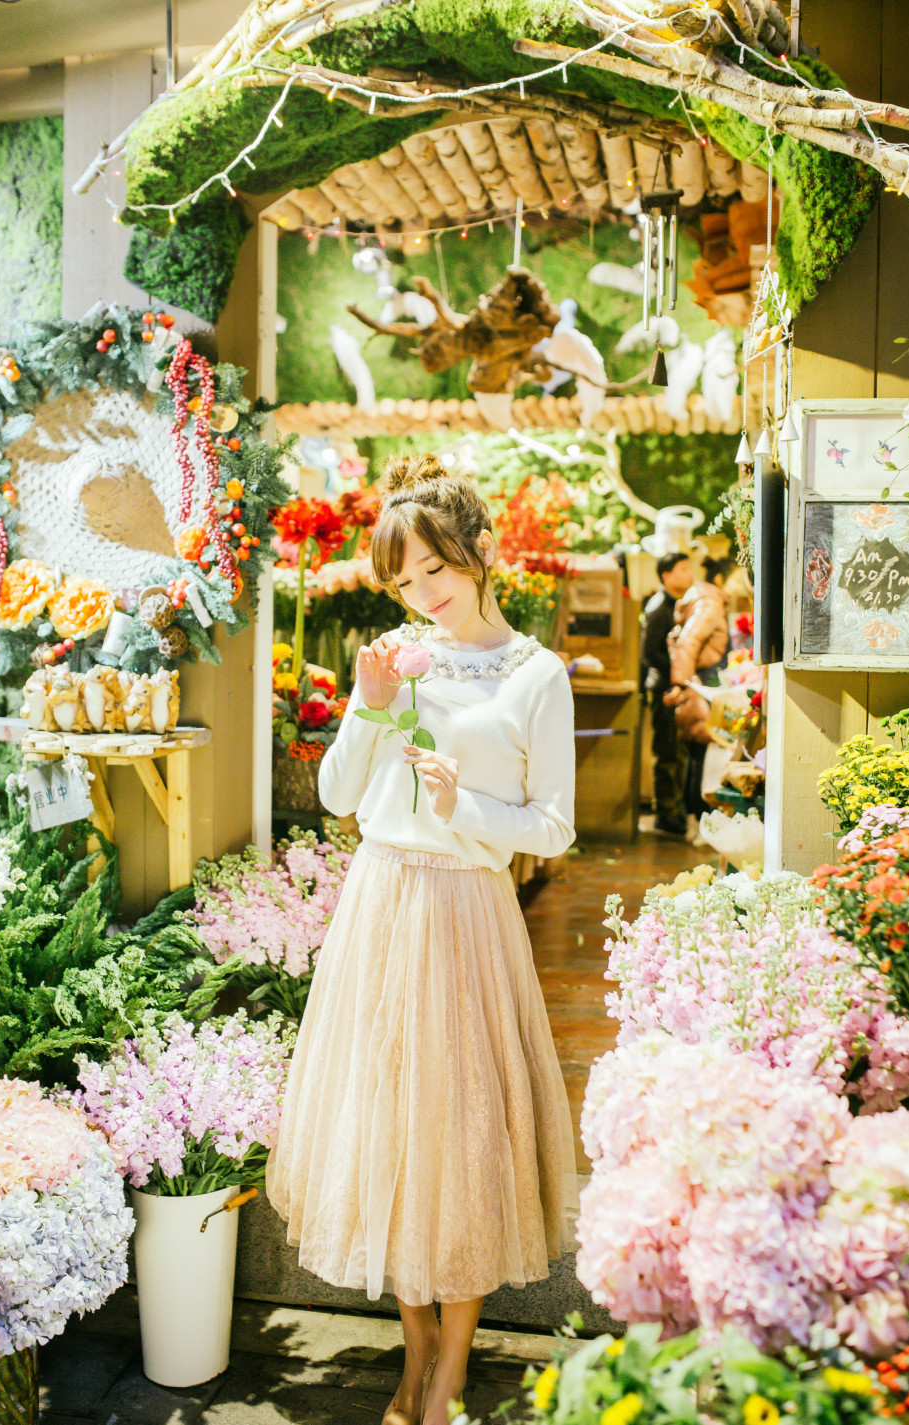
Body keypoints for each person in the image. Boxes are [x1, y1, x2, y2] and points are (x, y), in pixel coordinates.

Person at [266, 454, 577, 1425]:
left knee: (465, 1139)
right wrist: (364, 705)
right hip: (380, 903)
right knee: (390, 1133)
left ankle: (444, 1379)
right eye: (404, 583)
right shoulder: (395, 659)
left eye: (434, 573)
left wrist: (467, 802)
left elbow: (554, 827)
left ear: (480, 552)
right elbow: (336, 797)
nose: (422, 597)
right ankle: (412, 1361)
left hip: (467, 915)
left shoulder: (536, 675)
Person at [665, 555, 733, 839]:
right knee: (702, 755)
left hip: (698, 682)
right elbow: (688, 643)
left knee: (698, 754)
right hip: (702, 684)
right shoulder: (710, 603)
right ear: (721, 579)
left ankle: (697, 824)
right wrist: (681, 683)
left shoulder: (706, 601)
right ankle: (699, 825)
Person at [640, 551, 694, 835]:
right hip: (663, 688)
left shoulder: (682, 604)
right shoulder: (659, 607)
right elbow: (650, 654)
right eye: (682, 569)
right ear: (666, 576)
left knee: (679, 750)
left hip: (677, 686)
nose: (689, 573)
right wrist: (679, 672)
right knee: (666, 751)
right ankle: (664, 812)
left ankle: (676, 808)